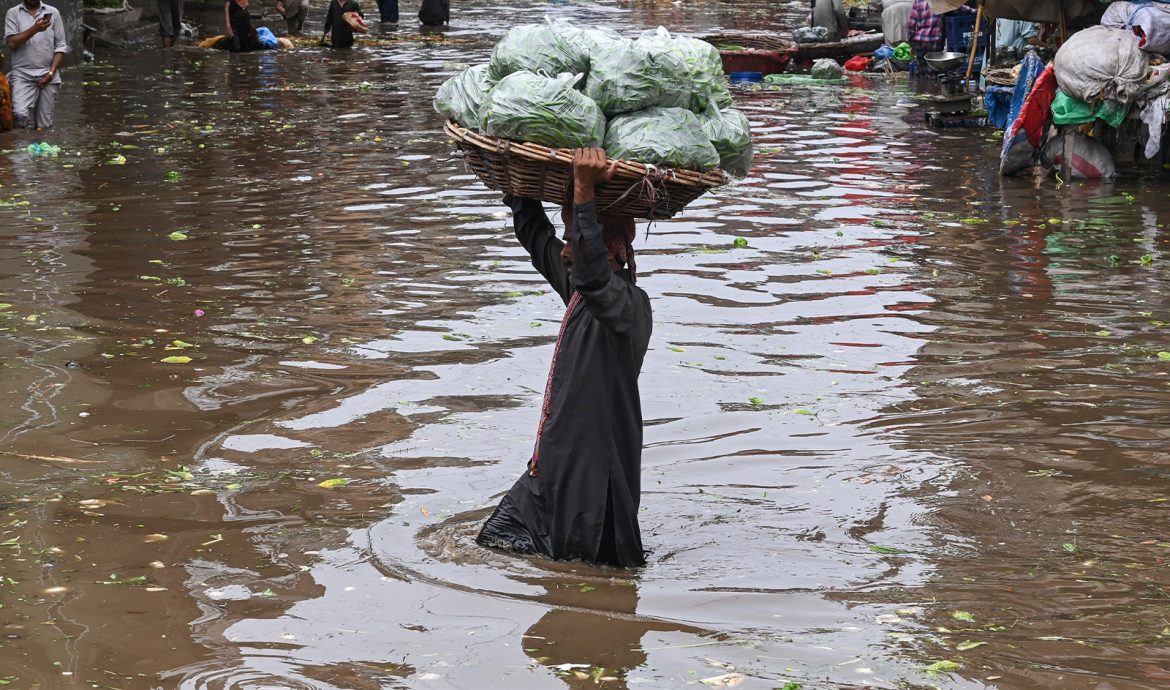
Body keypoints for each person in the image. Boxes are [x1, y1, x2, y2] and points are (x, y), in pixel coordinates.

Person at [476, 149, 652, 568]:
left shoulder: (626, 306)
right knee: (497, 540)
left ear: (616, 253)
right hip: (553, 463)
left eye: (574, 240)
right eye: (569, 238)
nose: (566, 250)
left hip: (594, 472)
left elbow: (591, 272)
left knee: (587, 567)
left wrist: (585, 189)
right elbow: (535, 234)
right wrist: (514, 181)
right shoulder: (581, 292)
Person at [3, 0, 67, 130]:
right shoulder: (13, 13)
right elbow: (12, 42)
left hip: (48, 75)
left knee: (44, 126)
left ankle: (38, 149)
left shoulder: (53, 12)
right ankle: (20, 149)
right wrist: (35, 29)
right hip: (22, 75)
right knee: (19, 118)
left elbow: (61, 46)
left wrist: (51, 73)